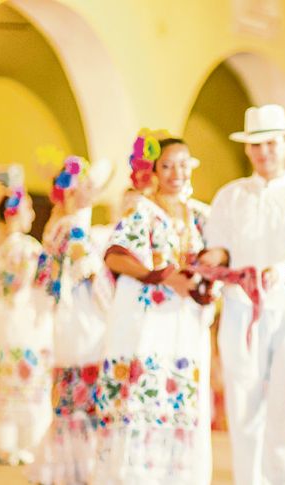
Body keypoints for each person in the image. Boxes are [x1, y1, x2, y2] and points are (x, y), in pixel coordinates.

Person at [91, 132, 217, 484]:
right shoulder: (143, 212)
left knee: (178, 399)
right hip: (146, 325)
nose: (177, 173)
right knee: (143, 396)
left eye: (182, 165)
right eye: (168, 166)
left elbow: (214, 259)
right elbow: (115, 256)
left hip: (185, 324)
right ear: (155, 171)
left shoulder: (199, 216)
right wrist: (160, 276)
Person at [201, 104, 285, 485]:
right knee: (243, 401)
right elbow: (217, 247)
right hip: (239, 308)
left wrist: (278, 270)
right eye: (256, 145)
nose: (264, 151)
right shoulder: (230, 196)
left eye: (270, 143)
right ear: (247, 150)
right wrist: (207, 260)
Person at [26, 155, 113, 485]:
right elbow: (88, 273)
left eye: (91, 185)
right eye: (84, 185)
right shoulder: (73, 227)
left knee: (74, 393)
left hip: (72, 315)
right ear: (71, 191)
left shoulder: (59, 224)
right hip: (81, 316)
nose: (90, 191)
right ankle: (75, 468)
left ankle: (70, 465)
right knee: (82, 390)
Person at [0, 179, 52, 466]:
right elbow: (40, 288)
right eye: (27, 209)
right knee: (25, 379)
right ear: (14, 212)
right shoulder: (27, 248)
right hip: (22, 322)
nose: (32, 215)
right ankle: (26, 442)